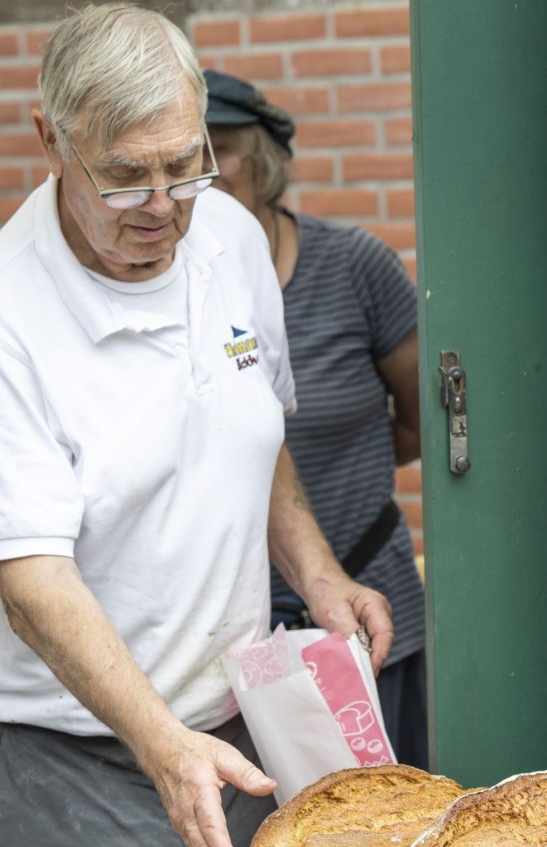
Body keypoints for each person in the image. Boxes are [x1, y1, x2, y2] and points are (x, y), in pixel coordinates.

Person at [0, 6, 394, 847]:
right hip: (59, 766)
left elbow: (248, 426)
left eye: (185, 166)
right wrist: (163, 742)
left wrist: (316, 573)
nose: (162, 204)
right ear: (49, 141)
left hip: (229, 743)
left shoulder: (225, 236)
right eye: (126, 176)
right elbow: (32, 584)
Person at [201, 70, 429, 770]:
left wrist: (337, 473)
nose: (203, 173)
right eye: (188, 155)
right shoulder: (178, 291)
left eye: (222, 149)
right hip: (234, 635)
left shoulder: (354, 265)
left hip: (364, 608)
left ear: (265, 161)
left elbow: (423, 416)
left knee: (387, 822)